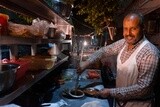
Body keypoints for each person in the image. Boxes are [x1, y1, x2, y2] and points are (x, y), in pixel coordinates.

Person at [77, 12, 160, 107]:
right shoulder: (124, 43)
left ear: (142, 28)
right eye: (126, 29)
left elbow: (143, 89)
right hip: (119, 102)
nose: (128, 33)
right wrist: (87, 62)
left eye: (133, 28)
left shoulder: (150, 53)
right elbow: (104, 51)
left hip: (138, 104)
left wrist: (111, 92)